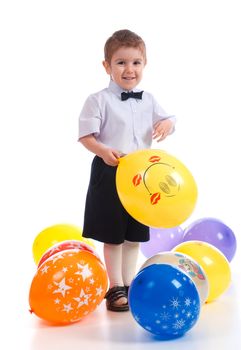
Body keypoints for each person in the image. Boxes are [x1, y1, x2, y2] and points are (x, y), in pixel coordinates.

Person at [78, 29, 176, 312]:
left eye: (136, 62)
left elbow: (170, 118)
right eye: (120, 62)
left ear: (144, 64)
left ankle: (131, 283)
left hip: (141, 178)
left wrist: (167, 124)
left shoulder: (148, 99)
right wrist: (102, 151)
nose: (129, 69)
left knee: (134, 234)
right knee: (113, 234)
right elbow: (86, 136)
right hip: (111, 171)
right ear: (106, 66)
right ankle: (114, 286)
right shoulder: (98, 100)